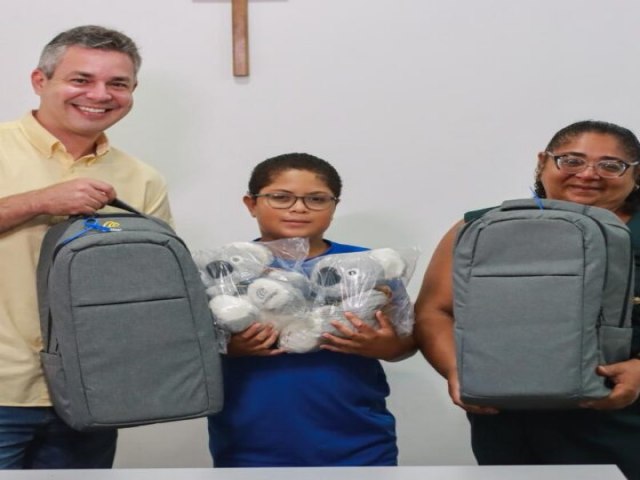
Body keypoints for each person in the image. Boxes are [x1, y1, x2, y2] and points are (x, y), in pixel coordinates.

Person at [414, 120, 640, 479]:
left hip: (622, 415)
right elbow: (435, 311)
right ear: (542, 162)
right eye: (571, 160)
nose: (588, 174)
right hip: (507, 419)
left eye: (610, 165)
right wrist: (457, 371)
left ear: (635, 175)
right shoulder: (481, 227)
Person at [0, 25, 173, 469]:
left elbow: (152, 287)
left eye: (118, 83)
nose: (100, 94)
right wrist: (38, 202)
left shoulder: (142, 179)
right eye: (81, 79)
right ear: (40, 81)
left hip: (91, 393)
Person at [207, 152, 415, 467]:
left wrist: (383, 346)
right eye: (281, 197)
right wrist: (230, 347)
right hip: (249, 443)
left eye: (316, 199)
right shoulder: (224, 270)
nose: (299, 208)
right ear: (251, 204)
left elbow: (406, 342)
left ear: (334, 205)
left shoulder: (367, 266)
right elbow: (189, 350)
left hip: (359, 443)